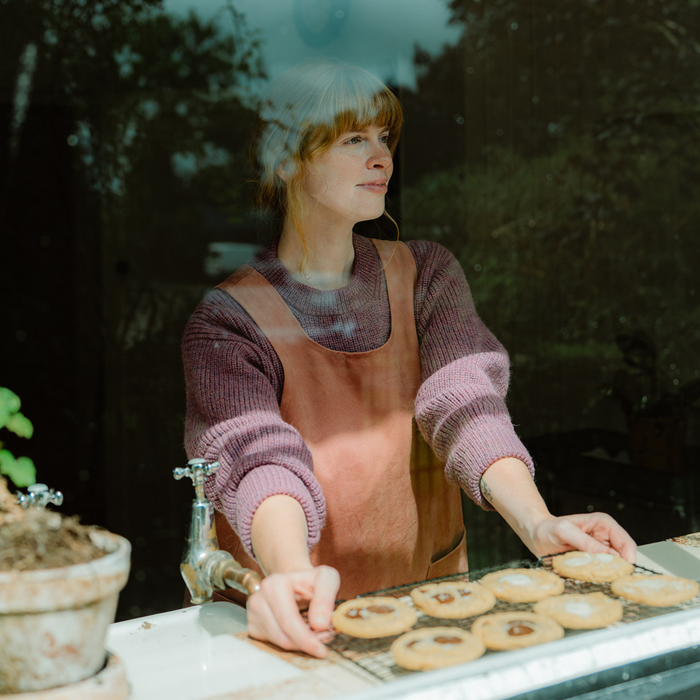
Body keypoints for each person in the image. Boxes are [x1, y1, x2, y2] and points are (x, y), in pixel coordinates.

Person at [182, 59, 636, 659]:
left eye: (384, 138)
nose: (382, 158)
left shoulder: (427, 275)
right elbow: (255, 455)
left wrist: (539, 524)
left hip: (430, 605)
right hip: (297, 620)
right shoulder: (227, 320)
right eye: (353, 139)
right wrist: (290, 574)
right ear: (286, 160)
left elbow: (465, 402)